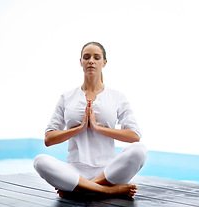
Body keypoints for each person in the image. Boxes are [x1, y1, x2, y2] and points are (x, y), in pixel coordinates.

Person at [33, 42, 147, 198]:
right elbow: (48, 139)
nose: (91, 61)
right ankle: (107, 190)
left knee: (139, 150)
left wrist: (97, 128)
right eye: (86, 57)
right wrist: (79, 128)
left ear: (104, 62)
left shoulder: (117, 97)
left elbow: (134, 136)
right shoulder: (67, 97)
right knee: (40, 161)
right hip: (75, 170)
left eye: (96, 57)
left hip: (108, 171)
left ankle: (83, 189)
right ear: (80, 62)